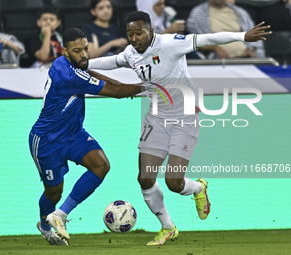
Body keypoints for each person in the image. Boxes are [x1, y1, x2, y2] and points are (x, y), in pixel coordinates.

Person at [88, 11, 271, 245]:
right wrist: (81, 63)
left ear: (150, 31)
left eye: (138, 33)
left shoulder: (170, 44)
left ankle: (198, 187)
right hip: (156, 119)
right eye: (130, 34)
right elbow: (111, 62)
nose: (134, 38)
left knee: (173, 182)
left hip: (185, 117)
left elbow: (207, 39)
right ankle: (167, 227)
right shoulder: (131, 53)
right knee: (145, 178)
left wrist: (243, 36)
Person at [29, 27, 141, 245]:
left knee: (101, 165)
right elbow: (116, 91)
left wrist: (122, 87)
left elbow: (89, 73)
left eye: (86, 49)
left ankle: (60, 215)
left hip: (73, 134)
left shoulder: (67, 64)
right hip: (46, 140)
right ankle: (44, 226)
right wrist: (152, 87)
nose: (84, 55)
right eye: (77, 50)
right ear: (65, 51)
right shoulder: (66, 75)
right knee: (53, 193)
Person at [186, 0, 265, 59]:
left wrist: (251, 49)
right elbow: (195, 40)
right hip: (217, 58)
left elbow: (255, 33)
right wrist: (215, 48)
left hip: (246, 56)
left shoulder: (240, 12)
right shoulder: (197, 13)